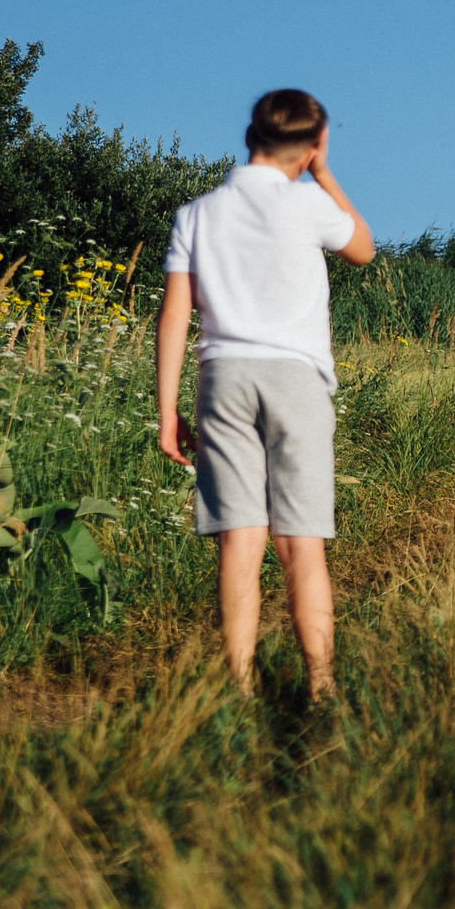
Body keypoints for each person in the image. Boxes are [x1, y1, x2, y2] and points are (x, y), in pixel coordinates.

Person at [156, 90, 375, 697]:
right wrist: (324, 173)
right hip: (296, 379)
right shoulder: (309, 204)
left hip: (223, 377)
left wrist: (167, 409)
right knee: (300, 543)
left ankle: (239, 688)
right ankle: (321, 687)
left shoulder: (197, 213)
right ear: (313, 144)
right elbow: (363, 249)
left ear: (250, 136)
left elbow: (174, 315)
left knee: (239, 538)